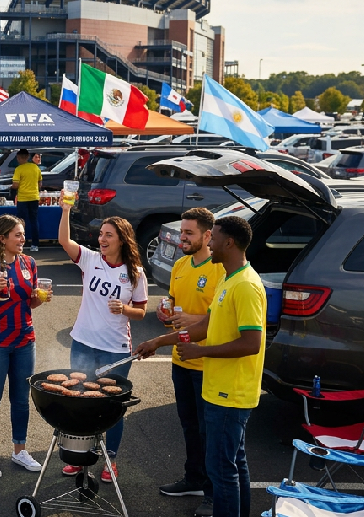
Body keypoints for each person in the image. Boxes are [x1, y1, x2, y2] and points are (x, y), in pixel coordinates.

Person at [134, 217, 265, 517]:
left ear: (229, 242)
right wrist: (159, 341)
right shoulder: (229, 278)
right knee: (233, 463)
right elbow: (205, 325)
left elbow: (251, 343)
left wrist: (200, 351)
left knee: (220, 469)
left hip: (230, 393)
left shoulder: (245, 285)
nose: (211, 242)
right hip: (219, 389)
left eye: (215, 238)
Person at [57, 199, 148, 481]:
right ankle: (79, 457)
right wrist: (65, 210)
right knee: (81, 400)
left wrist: (125, 309)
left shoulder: (135, 274)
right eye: (101, 234)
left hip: (115, 348)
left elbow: (142, 312)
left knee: (112, 407)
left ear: (122, 239)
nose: (102, 239)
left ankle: (111, 461)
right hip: (83, 341)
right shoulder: (91, 259)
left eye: (108, 234)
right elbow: (64, 240)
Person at [154, 208, 221, 517]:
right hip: (181, 360)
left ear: (208, 236)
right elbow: (173, 303)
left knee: (210, 433)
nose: (182, 237)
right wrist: (165, 312)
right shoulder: (180, 264)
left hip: (207, 364)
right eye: (182, 232)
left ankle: (212, 493)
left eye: (189, 233)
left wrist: (193, 319)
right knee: (189, 426)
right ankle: (193, 478)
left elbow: (225, 318)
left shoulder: (220, 269)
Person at [0, 214, 49, 478]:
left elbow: (29, 303)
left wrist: (41, 298)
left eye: (23, 234)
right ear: (2, 239)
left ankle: (19, 450)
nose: (23, 239)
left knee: (21, 400)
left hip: (24, 340)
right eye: (17, 235)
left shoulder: (29, 263)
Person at [10, 149, 42, 252]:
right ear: (28, 157)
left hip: (23, 198)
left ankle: (20, 243)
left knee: (20, 222)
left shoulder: (19, 169)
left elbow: (16, 185)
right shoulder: (36, 168)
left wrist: (11, 187)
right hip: (34, 197)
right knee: (34, 220)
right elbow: (40, 183)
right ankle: (35, 244)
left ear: (18, 158)